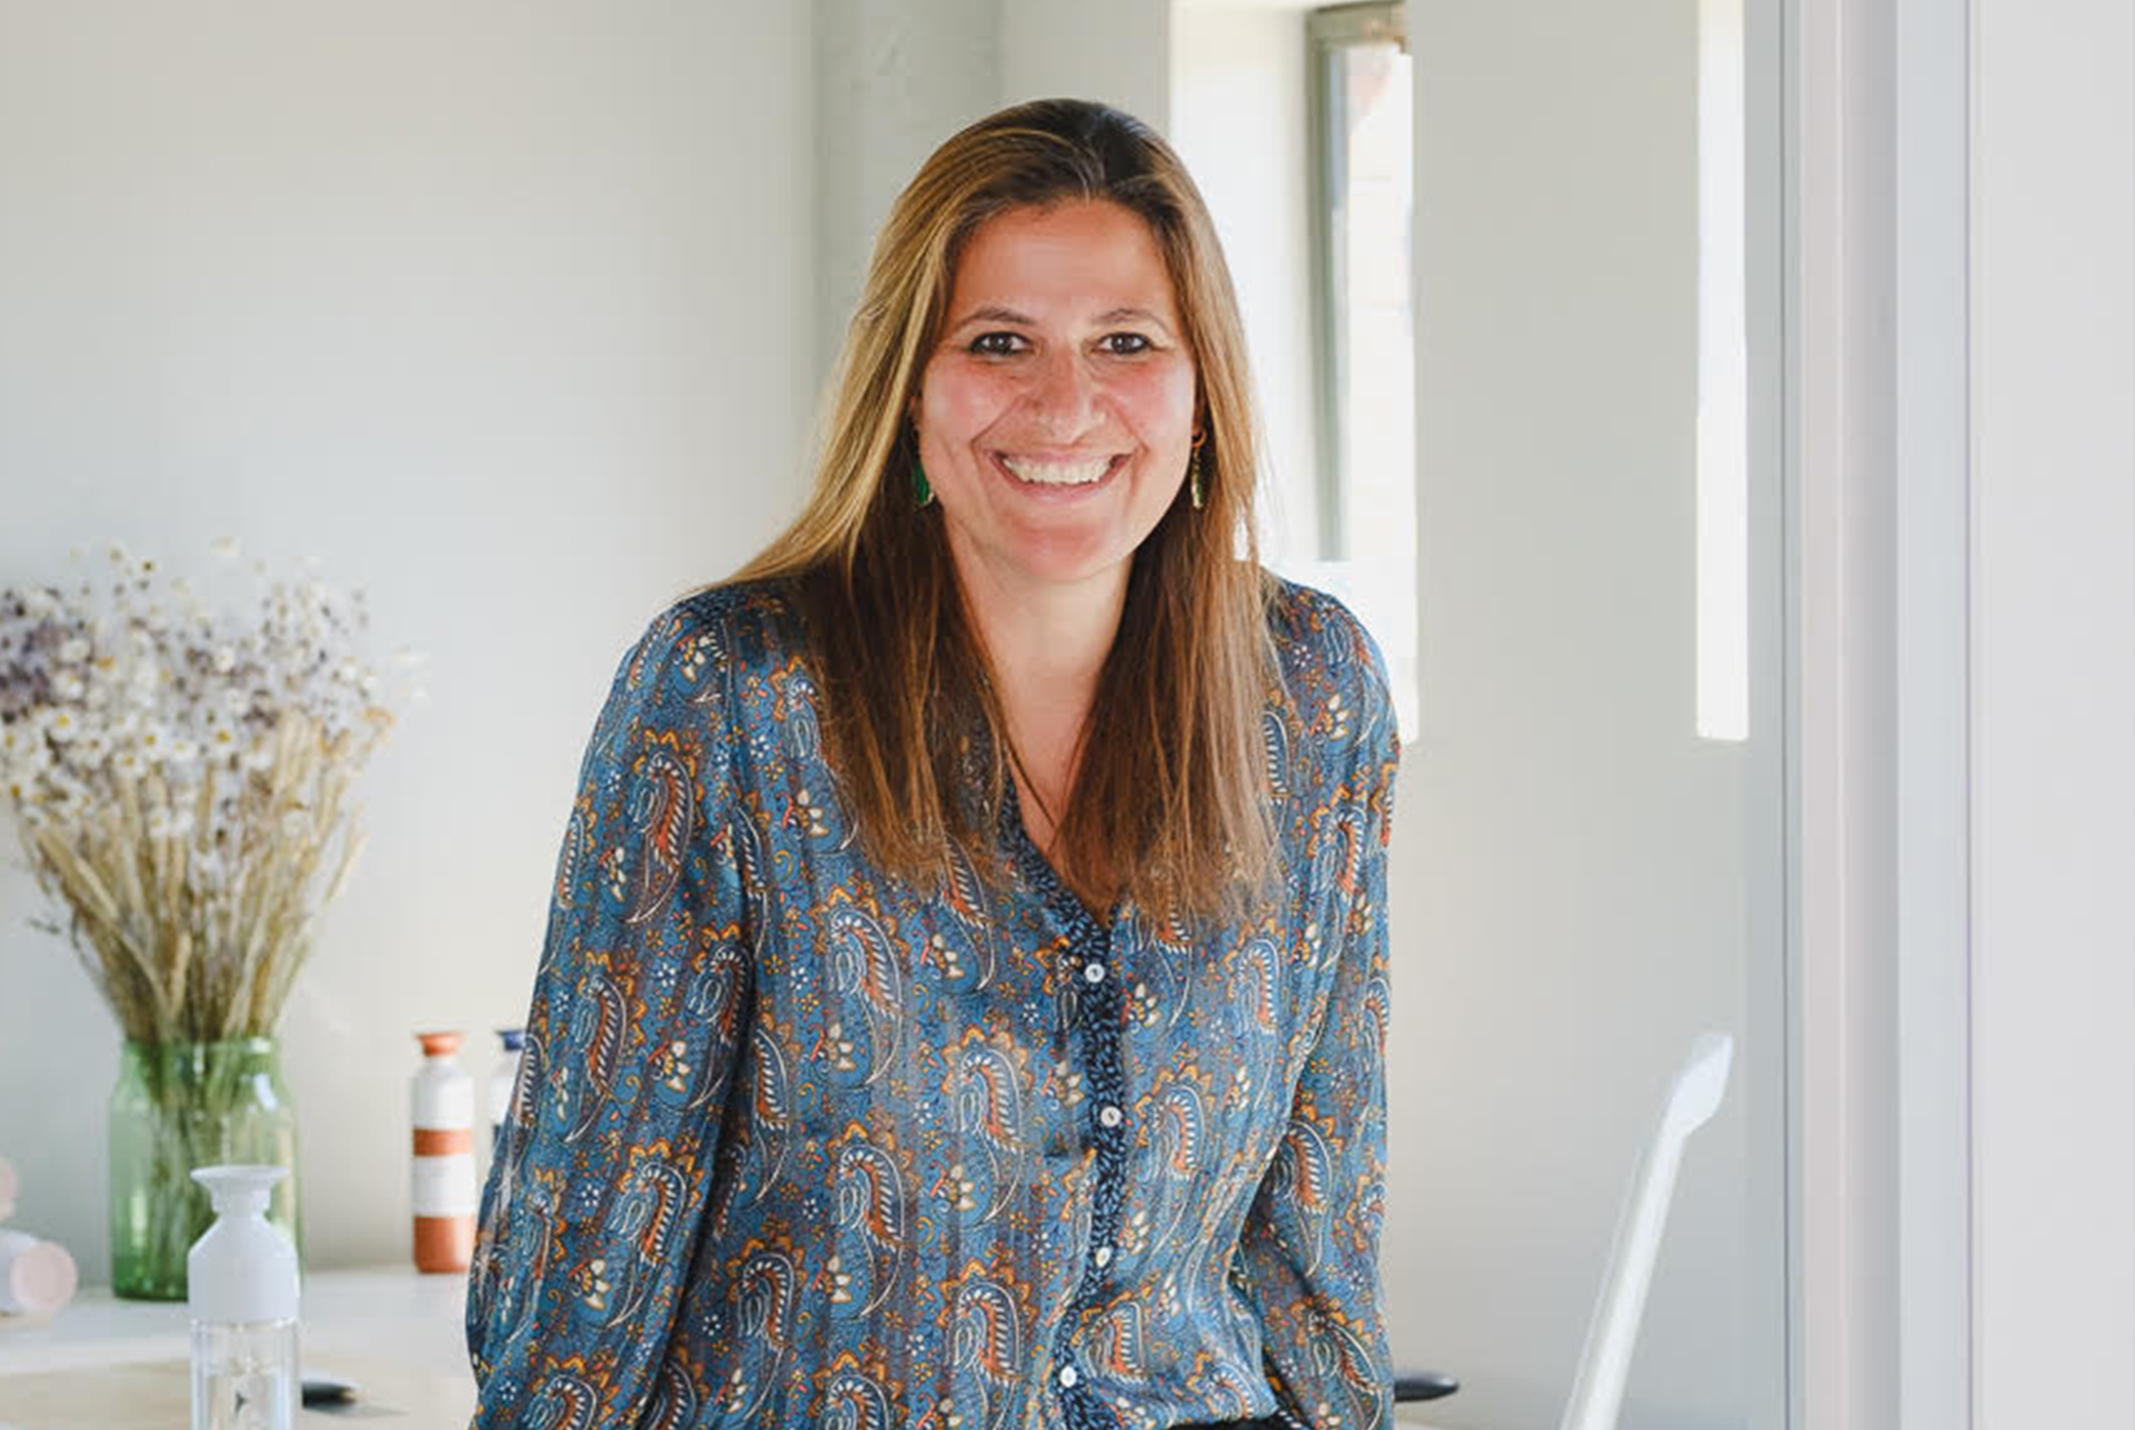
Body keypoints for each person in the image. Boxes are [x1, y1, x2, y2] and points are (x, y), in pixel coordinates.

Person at [467, 98, 1399, 1430]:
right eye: (1000, 341)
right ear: (913, 386)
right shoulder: (734, 695)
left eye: (1126, 342)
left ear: (1202, 394)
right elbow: (585, 1252)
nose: (1065, 404)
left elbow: (1318, 1227)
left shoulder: (1312, 693)